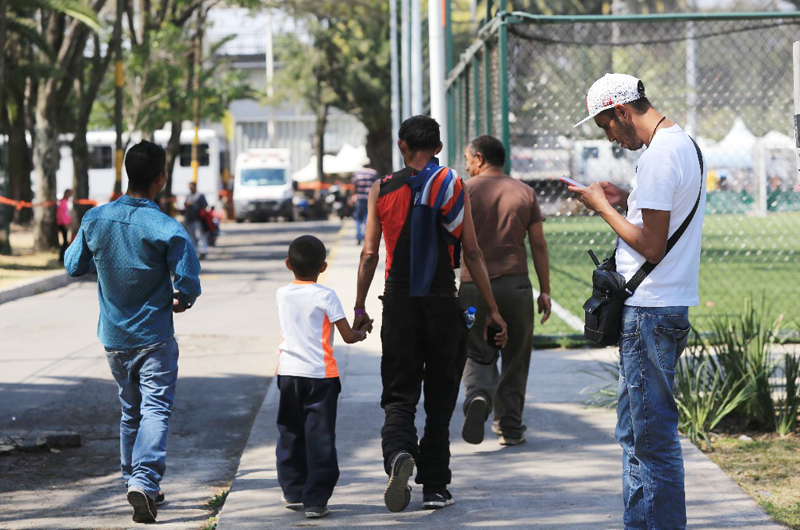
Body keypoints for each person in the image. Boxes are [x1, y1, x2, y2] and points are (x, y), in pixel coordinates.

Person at [568, 73, 706, 529]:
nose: (608, 136)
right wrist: (625, 199)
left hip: (649, 309)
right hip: (659, 305)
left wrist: (602, 207)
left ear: (622, 113)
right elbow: (662, 217)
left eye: (606, 125)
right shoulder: (680, 143)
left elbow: (651, 245)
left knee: (652, 440)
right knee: (634, 432)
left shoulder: (660, 155)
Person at [354, 115, 508, 512]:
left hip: (399, 302)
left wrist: (359, 306)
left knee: (399, 395)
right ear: (438, 148)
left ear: (401, 146)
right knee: (440, 397)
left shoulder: (381, 189)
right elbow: (472, 252)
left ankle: (399, 456)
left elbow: (370, 252)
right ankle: (435, 486)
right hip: (442, 301)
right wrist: (491, 309)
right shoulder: (452, 184)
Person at [65, 140, 201, 524]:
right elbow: (188, 280)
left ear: (128, 173)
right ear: (161, 178)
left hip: (114, 338)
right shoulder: (165, 227)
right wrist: (184, 299)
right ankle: (143, 479)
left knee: (130, 411)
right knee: (156, 409)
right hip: (155, 336)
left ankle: (134, 481)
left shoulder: (95, 218)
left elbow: (73, 265)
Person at [459, 135, 552, 447]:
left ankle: (478, 396)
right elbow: (538, 244)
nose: (467, 166)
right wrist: (546, 290)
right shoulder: (525, 192)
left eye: (469, 160)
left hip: (473, 287)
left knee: (475, 350)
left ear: (481, 159)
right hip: (516, 286)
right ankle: (510, 426)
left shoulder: (463, 191)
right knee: (515, 355)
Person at [275, 235, 370, 519]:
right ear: (324, 267)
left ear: (288, 264)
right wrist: (363, 330)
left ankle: (293, 491)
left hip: (288, 373)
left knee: (290, 432)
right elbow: (348, 336)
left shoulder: (282, 293)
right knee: (320, 436)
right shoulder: (325, 295)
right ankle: (316, 500)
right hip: (320, 376)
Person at [351, 160, 379, 244]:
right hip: (370, 198)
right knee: (368, 218)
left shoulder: (357, 174)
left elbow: (353, 186)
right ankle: (367, 237)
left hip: (359, 198)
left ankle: (359, 236)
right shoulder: (373, 173)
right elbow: (377, 185)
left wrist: (352, 196)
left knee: (358, 218)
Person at [184, 182, 209, 259]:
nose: (190, 189)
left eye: (192, 187)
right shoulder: (188, 195)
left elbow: (205, 206)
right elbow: (185, 204)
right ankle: (194, 251)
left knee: (199, 235)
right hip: (189, 219)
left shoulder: (200, 196)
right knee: (191, 236)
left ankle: (203, 250)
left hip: (197, 219)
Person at [56, 189, 73, 263]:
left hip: (65, 224)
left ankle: (63, 257)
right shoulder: (62, 202)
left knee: (66, 241)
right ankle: (61, 258)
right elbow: (61, 214)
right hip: (63, 224)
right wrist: (65, 223)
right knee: (65, 242)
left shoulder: (65, 202)